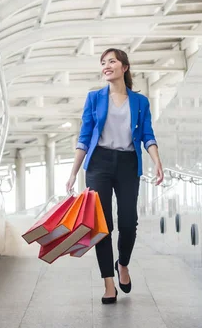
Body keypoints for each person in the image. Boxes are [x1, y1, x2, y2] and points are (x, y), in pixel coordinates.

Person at [66, 48, 164, 304]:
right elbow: (84, 137)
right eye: (103, 62)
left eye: (112, 61)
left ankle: (124, 264)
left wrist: (157, 161)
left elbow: (147, 135)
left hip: (128, 163)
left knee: (129, 222)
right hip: (98, 163)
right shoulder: (94, 98)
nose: (106, 65)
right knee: (102, 225)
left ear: (124, 67)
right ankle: (108, 283)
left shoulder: (140, 102)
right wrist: (74, 171)